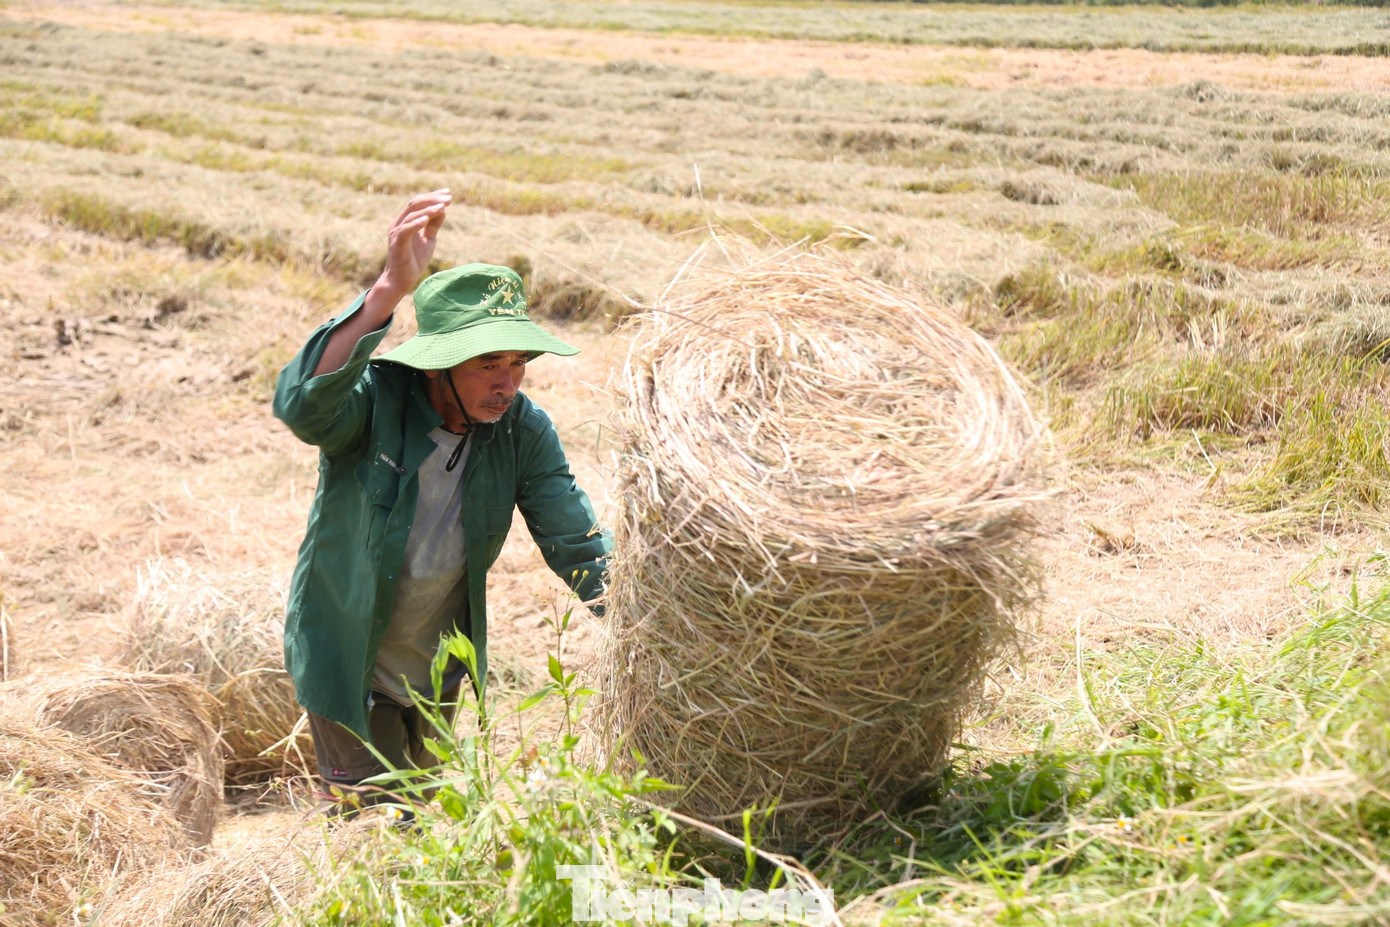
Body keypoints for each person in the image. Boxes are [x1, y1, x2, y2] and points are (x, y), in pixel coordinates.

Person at [273, 189, 610, 811]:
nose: (506, 383)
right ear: (437, 365)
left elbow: (575, 541)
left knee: (422, 822)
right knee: (370, 828)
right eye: (486, 363)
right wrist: (386, 292)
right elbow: (301, 405)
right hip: (350, 657)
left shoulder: (522, 430)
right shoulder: (375, 407)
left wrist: (652, 622)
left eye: (517, 363)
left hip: (436, 668)